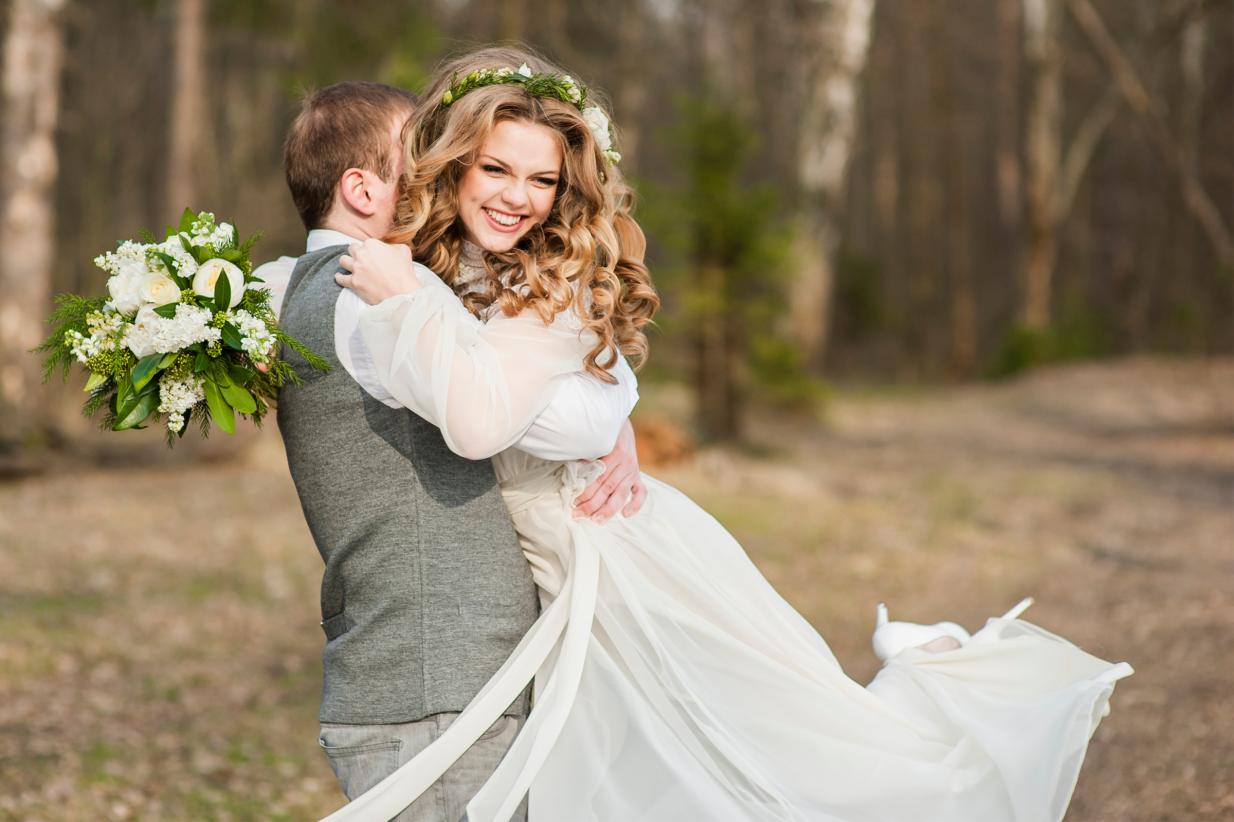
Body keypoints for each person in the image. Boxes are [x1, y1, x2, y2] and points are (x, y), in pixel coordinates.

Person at [330, 49, 1133, 821]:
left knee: (790, 754)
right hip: (563, 576)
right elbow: (536, 387)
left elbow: (476, 423)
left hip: (624, 559)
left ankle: (941, 675)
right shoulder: (454, 269)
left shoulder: (550, 283)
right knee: (660, 778)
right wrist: (607, 422)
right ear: (457, 164)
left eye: (542, 179)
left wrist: (408, 306)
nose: (519, 197)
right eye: (497, 169)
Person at [261, 80, 647, 822]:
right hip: (445, 685)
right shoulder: (386, 295)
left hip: (415, 674)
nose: (453, 168)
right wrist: (606, 422)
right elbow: (490, 411)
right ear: (362, 188)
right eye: (432, 152)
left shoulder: (298, 290)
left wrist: (614, 418)